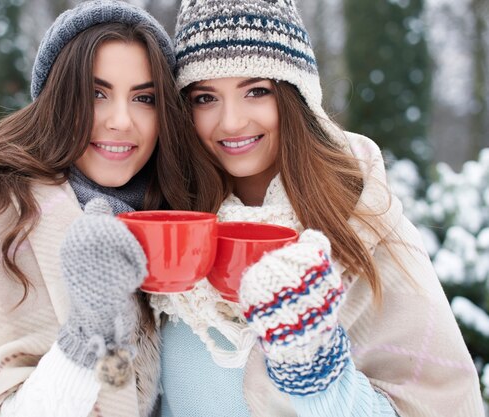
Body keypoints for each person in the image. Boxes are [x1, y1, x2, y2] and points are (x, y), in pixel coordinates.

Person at [0, 1, 222, 416]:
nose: (122, 120)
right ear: (56, 99)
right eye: (96, 93)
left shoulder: (166, 218)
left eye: (144, 98)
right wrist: (87, 336)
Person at [151, 0, 485, 416]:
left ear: (296, 96)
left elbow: (443, 407)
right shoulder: (172, 217)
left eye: (257, 91)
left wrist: (316, 374)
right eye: (206, 97)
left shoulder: (362, 223)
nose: (231, 122)